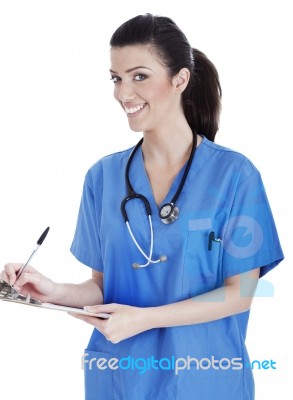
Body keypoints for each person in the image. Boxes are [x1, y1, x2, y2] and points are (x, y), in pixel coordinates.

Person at [1, 13, 284, 400]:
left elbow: (241, 292)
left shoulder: (234, 175)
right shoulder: (102, 177)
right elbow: (104, 286)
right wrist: (51, 290)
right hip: (120, 380)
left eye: (139, 76)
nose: (123, 93)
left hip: (205, 380)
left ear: (180, 79)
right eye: (116, 78)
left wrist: (145, 320)